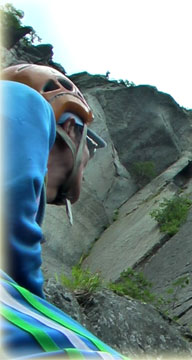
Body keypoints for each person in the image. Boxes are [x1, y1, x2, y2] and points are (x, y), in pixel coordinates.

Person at [1, 64, 124, 359]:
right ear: (71, 127)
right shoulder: (18, 98)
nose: (87, 161)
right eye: (90, 148)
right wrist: (31, 297)